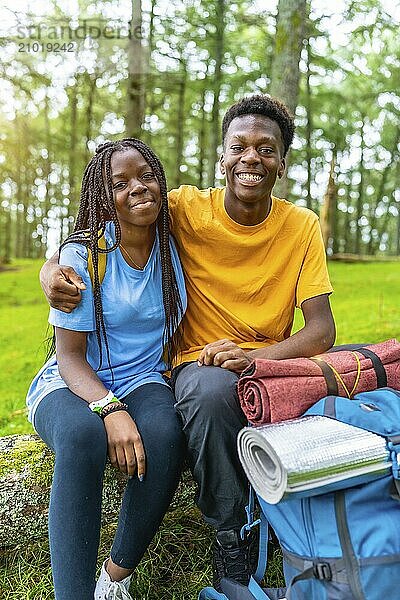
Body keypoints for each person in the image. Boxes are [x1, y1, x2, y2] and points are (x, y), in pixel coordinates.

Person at [39, 95, 336, 591]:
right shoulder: (181, 208)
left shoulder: (301, 225)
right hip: (198, 364)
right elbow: (96, 223)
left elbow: (322, 331)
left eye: (267, 149)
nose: (251, 158)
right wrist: (52, 270)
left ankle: (118, 576)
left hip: (269, 359)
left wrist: (257, 357)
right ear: (221, 157)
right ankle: (228, 536)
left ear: (282, 164)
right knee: (209, 391)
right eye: (238, 146)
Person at [26, 138, 187, 600]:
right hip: (74, 381)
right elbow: (70, 357)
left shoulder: (174, 247)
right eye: (120, 183)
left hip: (143, 377)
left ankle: (115, 578)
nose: (137, 188)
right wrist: (110, 411)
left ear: (160, 182)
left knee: (164, 432)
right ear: (102, 196)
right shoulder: (84, 257)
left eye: (146, 176)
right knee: (82, 437)